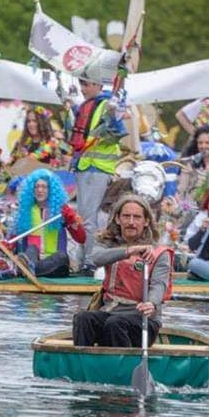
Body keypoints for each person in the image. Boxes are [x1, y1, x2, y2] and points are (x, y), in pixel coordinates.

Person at [72, 194, 172, 347]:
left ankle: (121, 368)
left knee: (115, 324)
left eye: (137, 217)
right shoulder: (106, 242)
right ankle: (81, 364)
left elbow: (159, 285)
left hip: (143, 321)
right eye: (126, 216)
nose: (131, 222)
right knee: (83, 318)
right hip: (110, 311)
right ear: (118, 219)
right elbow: (96, 258)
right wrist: (128, 251)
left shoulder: (160, 252)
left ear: (146, 222)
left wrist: (151, 302)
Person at [66, 78, 124, 275]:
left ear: (99, 85)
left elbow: (117, 129)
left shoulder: (108, 105)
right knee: (83, 217)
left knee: (88, 219)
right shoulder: (88, 106)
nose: (83, 89)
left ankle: (90, 264)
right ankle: (83, 260)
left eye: (87, 85)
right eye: (81, 85)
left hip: (97, 167)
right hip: (86, 166)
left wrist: (113, 113)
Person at [10, 169, 85, 277]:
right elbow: (13, 239)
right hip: (32, 259)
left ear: (51, 190)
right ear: (32, 190)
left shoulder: (62, 211)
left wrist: (72, 220)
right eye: (37, 186)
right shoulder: (25, 211)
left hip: (55, 265)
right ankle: (31, 268)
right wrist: (6, 244)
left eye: (44, 187)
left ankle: (31, 270)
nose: (40, 190)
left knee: (62, 256)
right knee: (31, 249)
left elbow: (81, 239)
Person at [177, 125, 209, 208]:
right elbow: (182, 189)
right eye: (200, 143)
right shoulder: (190, 163)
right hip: (192, 206)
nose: (203, 146)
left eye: (207, 143)